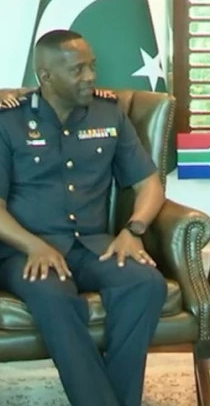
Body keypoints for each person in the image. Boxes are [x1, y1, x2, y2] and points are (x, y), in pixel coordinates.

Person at [0, 29, 167, 406]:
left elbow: (149, 185)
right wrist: (34, 246)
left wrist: (133, 229)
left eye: (92, 66)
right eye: (77, 70)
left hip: (92, 246)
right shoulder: (8, 122)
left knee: (145, 283)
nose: (90, 76)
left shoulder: (110, 113)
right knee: (52, 295)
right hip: (26, 252)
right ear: (46, 76)